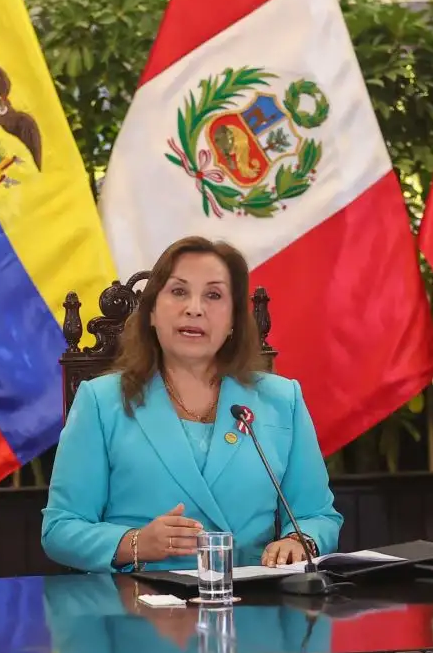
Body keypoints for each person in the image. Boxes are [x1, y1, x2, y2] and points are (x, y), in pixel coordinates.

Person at [41, 235, 341, 573]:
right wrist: (136, 543)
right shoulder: (101, 401)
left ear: (232, 321)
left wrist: (300, 541)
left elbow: (316, 516)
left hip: (254, 606)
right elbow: (60, 529)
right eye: (179, 292)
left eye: (213, 295)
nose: (194, 308)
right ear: (151, 312)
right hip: (140, 609)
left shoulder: (280, 399)